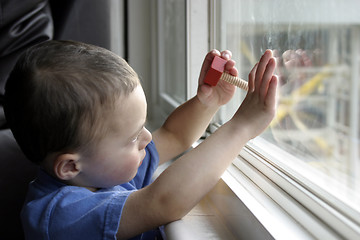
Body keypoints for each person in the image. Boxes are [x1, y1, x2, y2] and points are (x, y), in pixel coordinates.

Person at [4, 40, 278, 240]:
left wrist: (208, 102)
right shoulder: (58, 215)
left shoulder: (102, 171)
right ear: (70, 167)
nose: (147, 137)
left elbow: (174, 135)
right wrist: (240, 127)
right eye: (133, 136)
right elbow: (163, 202)